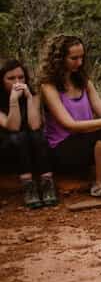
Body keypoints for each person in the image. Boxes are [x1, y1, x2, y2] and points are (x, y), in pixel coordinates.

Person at [39, 36, 101, 201]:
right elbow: (69, 125)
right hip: (63, 148)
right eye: (74, 58)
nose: (79, 62)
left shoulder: (83, 81)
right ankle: (100, 184)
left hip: (86, 140)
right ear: (59, 59)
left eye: (82, 57)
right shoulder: (48, 86)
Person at [0, 59, 58, 208]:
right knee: (18, 136)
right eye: (11, 78)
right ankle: (28, 187)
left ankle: (47, 184)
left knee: (36, 135)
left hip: (33, 147)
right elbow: (12, 127)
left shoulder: (33, 95)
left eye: (21, 77)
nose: (17, 82)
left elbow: (34, 125)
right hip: (8, 147)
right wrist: (13, 101)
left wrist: (29, 99)